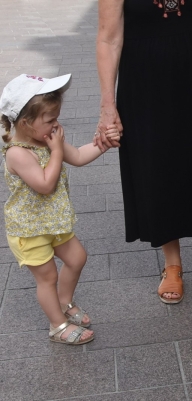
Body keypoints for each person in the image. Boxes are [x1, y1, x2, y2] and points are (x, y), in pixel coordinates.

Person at [95, 0, 192, 304]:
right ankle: (172, 265)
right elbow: (108, 38)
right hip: (143, 84)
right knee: (156, 166)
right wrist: (108, 105)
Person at [0, 73, 121, 344]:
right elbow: (45, 185)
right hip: (29, 230)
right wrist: (55, 152)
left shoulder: (46, 140)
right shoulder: (17, 153)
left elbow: (77, 156)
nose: (57, 125)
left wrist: (103, 145)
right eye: (50, 120)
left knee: (77, 258)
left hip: (53, 222)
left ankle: (65, 301)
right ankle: (58, 325)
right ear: (26, 123)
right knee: (48, 277)